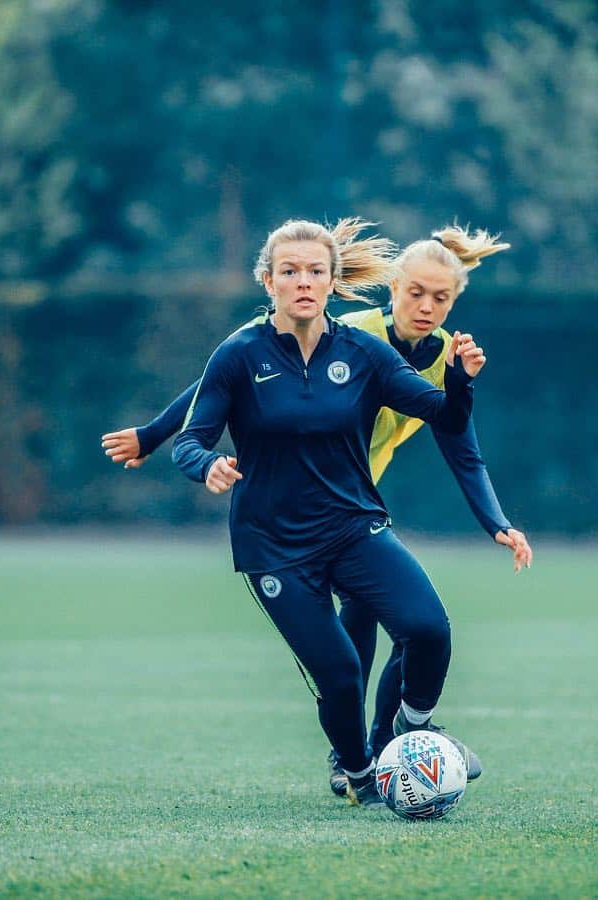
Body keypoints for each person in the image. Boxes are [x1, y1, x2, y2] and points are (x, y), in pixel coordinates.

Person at [101, 224, 533, 795]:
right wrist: (182, 449)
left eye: (315, 271)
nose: (303, 282)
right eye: (290, 271)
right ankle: (356, 769)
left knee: (427, 630)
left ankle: (407, 732)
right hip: (274, 542)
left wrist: (461, 383)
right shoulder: (248, 349)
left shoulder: (376, 353)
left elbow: (454, 428)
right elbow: (207, 395)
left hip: (353, 518)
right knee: (343, 670)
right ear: (269, 281)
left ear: (333, 282)